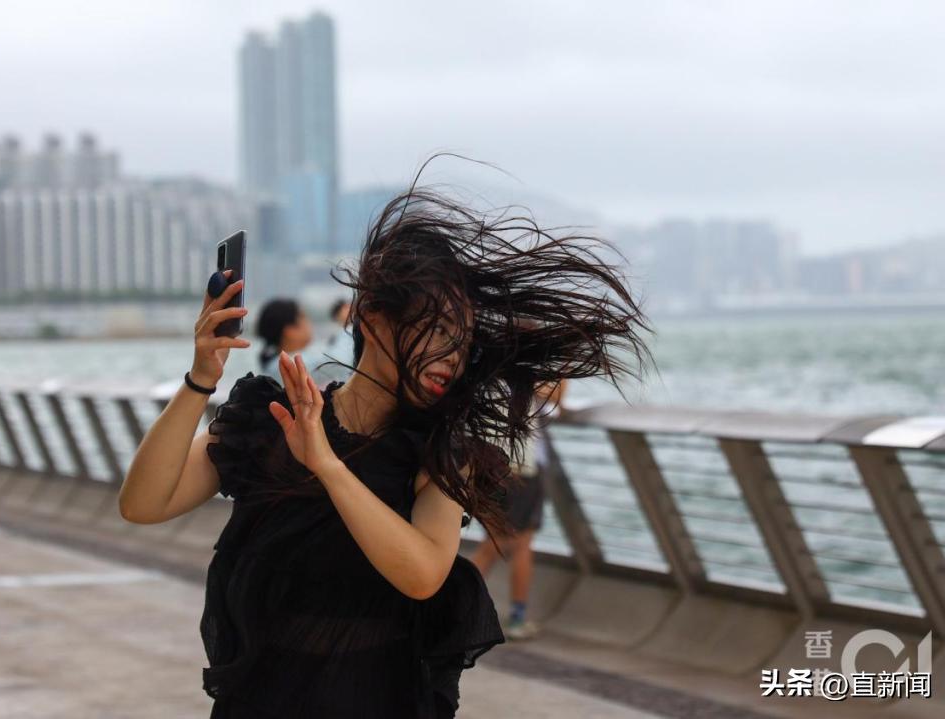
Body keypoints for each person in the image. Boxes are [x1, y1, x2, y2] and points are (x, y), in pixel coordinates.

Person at [118, 156, 654, 718]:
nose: (451, 357)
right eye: (438, 330)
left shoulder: (441, 451)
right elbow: (143, 504)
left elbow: (423, 574)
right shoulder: (271, 419)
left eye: (462, 340)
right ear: (374, 318)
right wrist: (201, 378)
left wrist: (327, 466)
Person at [470, 379, 568, 641]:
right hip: (519, 467)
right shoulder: (530, 366)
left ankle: (449, 607)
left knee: (493, 543)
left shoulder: (491, 367)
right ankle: (514, 617)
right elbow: (558, 401)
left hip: (488, 464)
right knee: (513, 544)